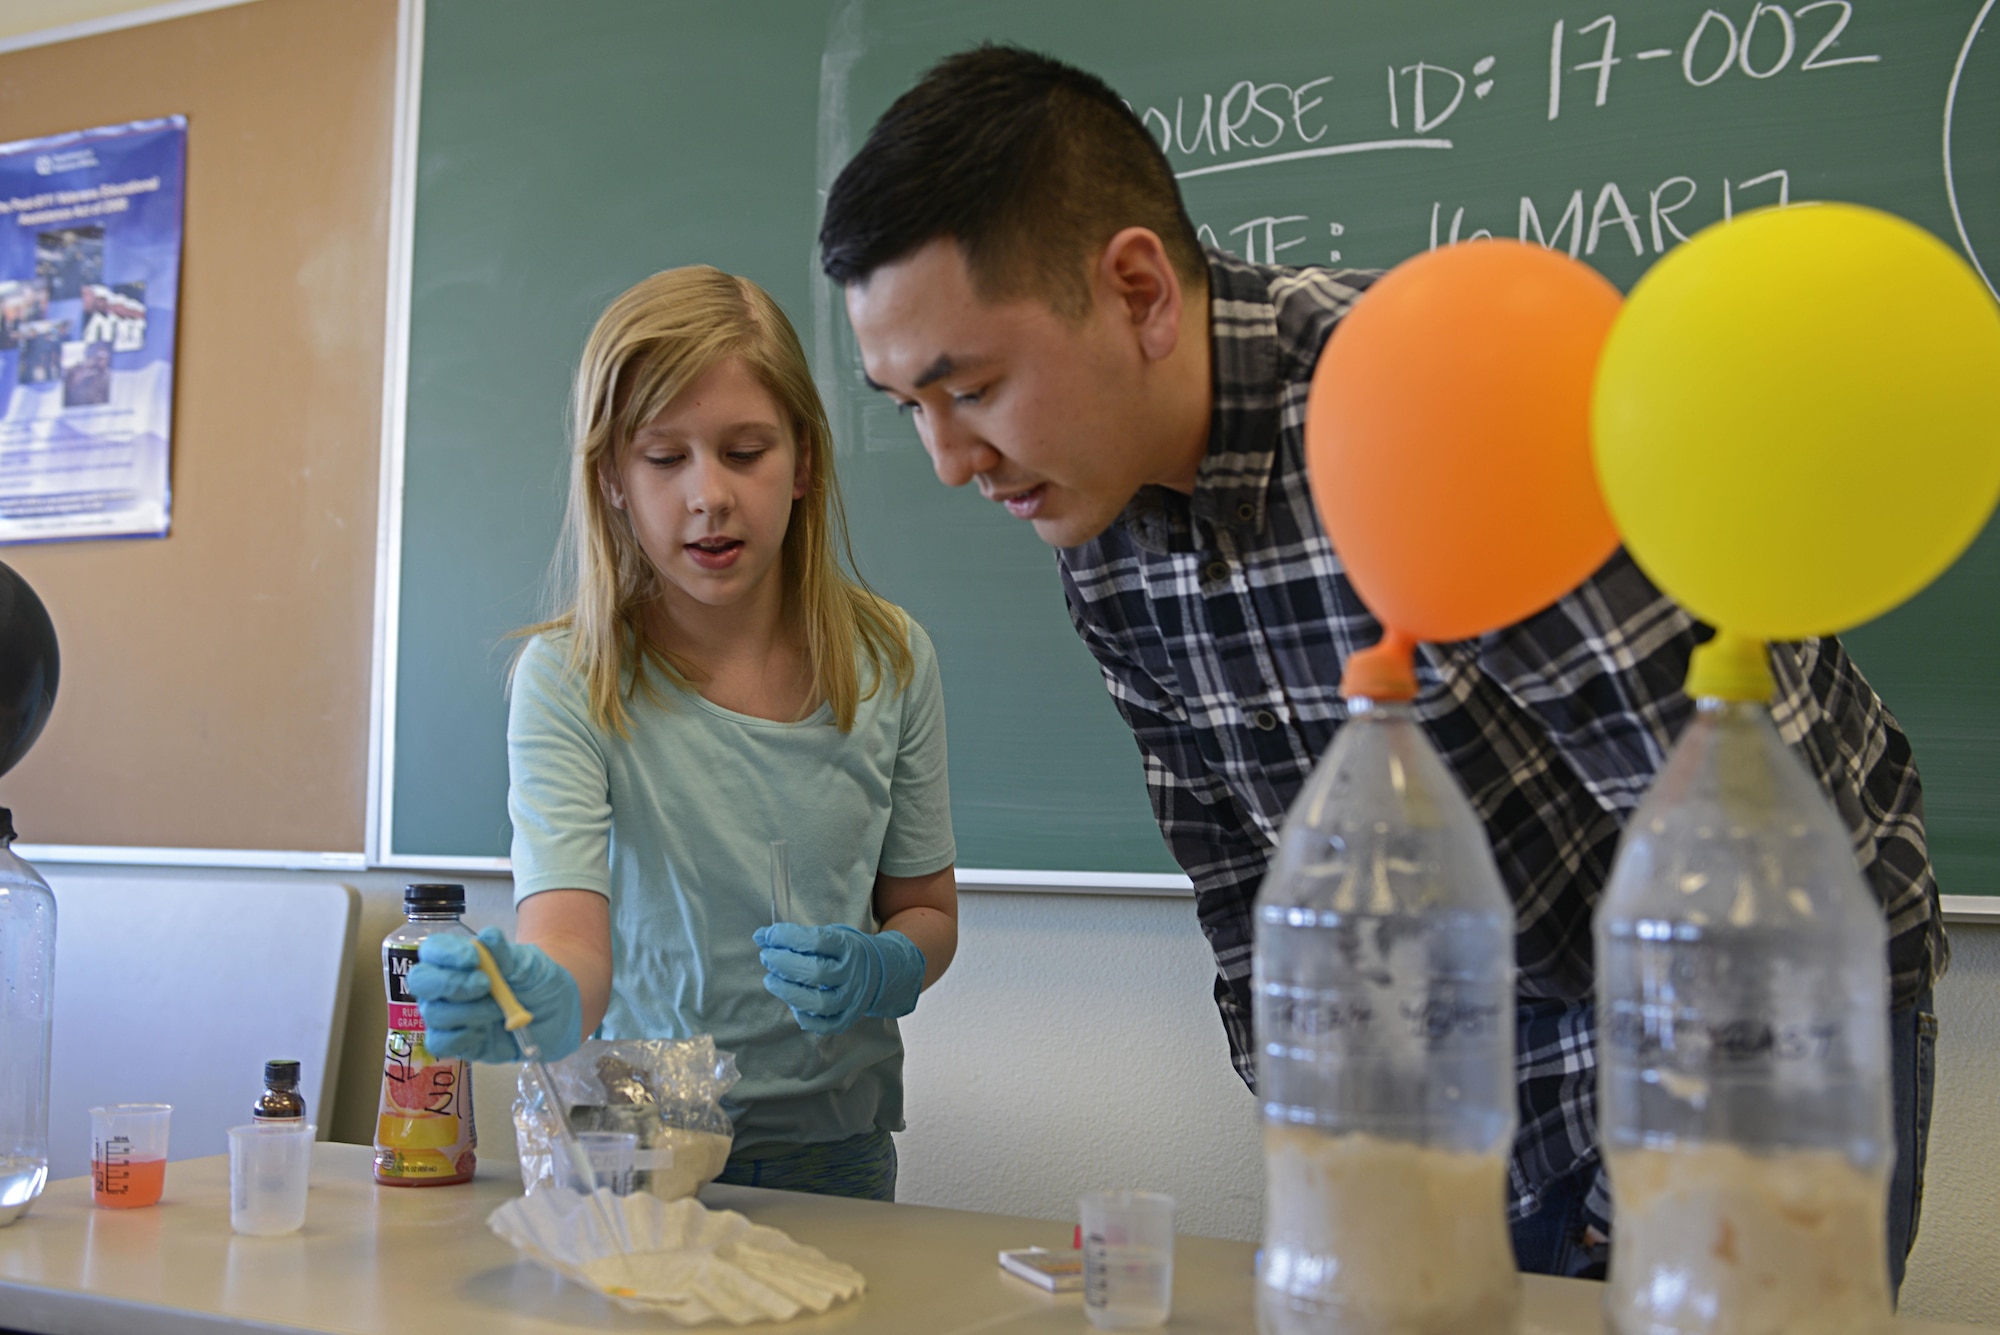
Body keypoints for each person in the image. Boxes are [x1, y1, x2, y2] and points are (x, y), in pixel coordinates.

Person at [819, 44, 1945, 1279]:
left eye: (967, 388)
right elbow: (1241, 873)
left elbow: (1745, 872)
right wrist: (1329, 1152)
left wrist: (1656, 1224)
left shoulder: (1453, 408)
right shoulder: (1089, 497)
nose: (947, 458)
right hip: (1478, 1058)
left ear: (1137, 291)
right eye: (904, 407)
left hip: (1768, 1016)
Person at [407, 266, 959, 1200]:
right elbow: (572, 946)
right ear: (612, 479)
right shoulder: (572, 679)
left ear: (806, 463)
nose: (709, 495)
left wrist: (889, 962)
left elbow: (929, 912)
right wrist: (533, 997)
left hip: (837, 1151)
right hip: (631, 1157)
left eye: (746, 452)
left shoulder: (890, 658)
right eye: (664, 458)